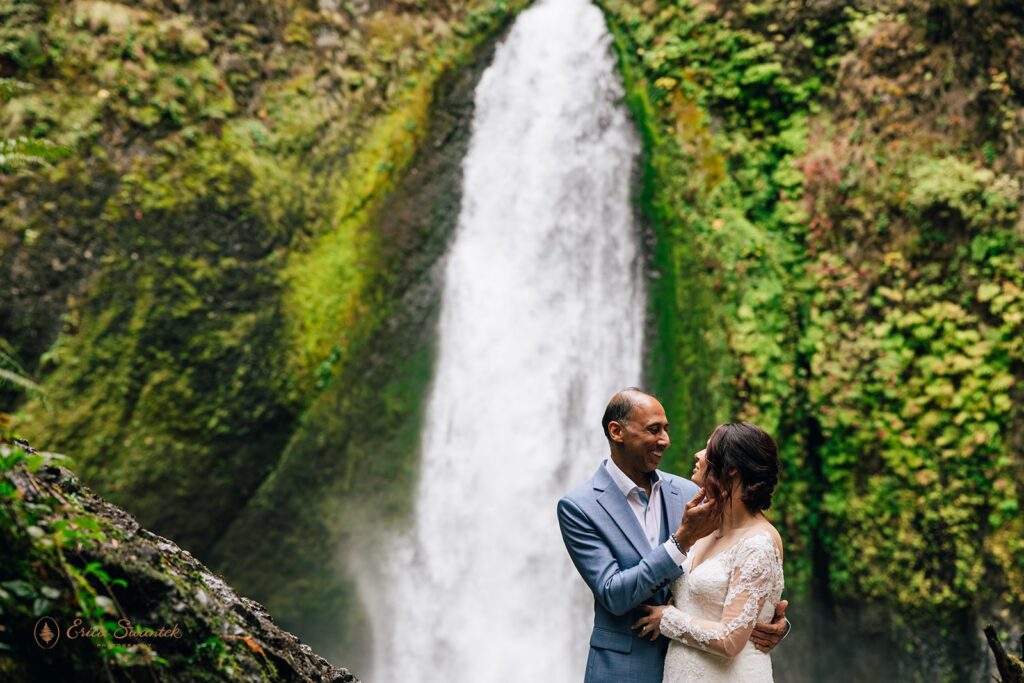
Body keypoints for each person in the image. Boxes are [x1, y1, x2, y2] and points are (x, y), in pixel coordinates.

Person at [557, 389, 789, 683]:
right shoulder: (580, 507)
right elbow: (614, 594)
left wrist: (769, 620)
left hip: (709, 668)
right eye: (654, 430)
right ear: (617, 432)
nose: (666, 440)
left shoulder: (691, 493)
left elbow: (744, 561)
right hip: (625, 670)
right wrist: (681, 542)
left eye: (666, 429)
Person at [631, 422, 786, 682]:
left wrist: (666, 619)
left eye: (708, 449)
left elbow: (731, 639)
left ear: (732, 469)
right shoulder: (700, 523)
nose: (698, 454)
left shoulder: (758, 542)